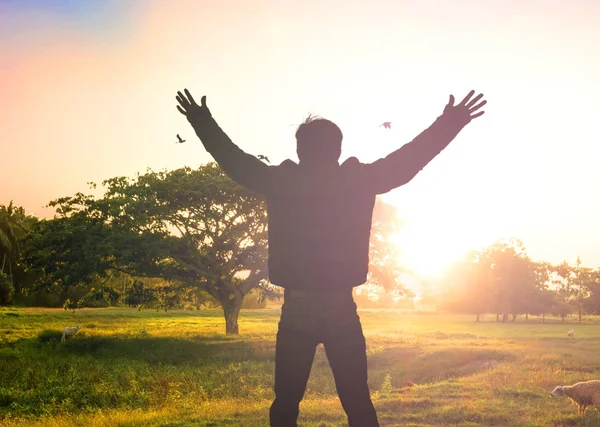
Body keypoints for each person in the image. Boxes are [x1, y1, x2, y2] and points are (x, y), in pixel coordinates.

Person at [176, 88, 486, 427]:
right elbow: (410, 159)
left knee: (285, 404)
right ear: (339, 149)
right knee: (357, 402)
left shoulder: (280, 182)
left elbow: (233, 160)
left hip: (296, 310)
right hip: (342, 309)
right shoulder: (360, 180)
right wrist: (450, 122)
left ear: (299, 150)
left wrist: (201, 121)